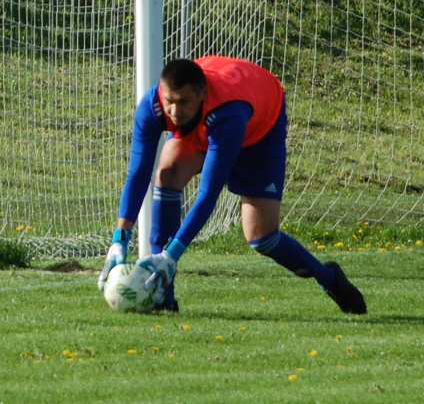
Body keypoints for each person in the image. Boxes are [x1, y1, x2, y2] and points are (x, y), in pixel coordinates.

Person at [97, 56, 367, 315]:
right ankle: (161, 295)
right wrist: (119, 240)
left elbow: (208, 193)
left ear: (201, 94)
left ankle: (328, 277)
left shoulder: (229, 112)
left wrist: (172, 257)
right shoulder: (152, 105)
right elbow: (137, 174)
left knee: (262, 238)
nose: (174, 111)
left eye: (183, 102)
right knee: (167, 173)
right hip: (211, 121)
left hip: (260, 128)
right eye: (169, 101)